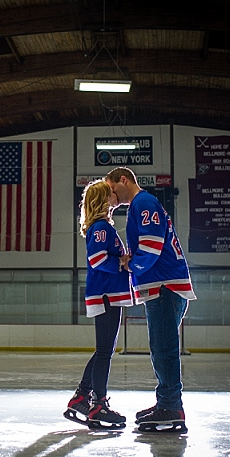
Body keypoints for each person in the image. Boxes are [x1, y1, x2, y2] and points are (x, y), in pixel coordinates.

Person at [104, 167, 196, 432]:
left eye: (111, 189)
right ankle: (165, 402)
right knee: (160, 347)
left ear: (123, 180)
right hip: (163, 285)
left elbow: (152, 246)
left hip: (165, 285)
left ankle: (171, 408)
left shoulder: (142, 202)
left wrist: (130, 264)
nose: (111, 196)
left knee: (164, 349)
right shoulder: (140, 205)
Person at [64, 179, 132, 429]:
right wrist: (122, 263)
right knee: (105, 351)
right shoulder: (101, 227)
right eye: (110, 194)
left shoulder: (101, 227)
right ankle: (98, 404)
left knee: (104, 350)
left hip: (106, 295)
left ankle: (83, 396)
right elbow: (97, 259)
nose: (115, 196)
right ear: (103, 200)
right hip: (106, 295)